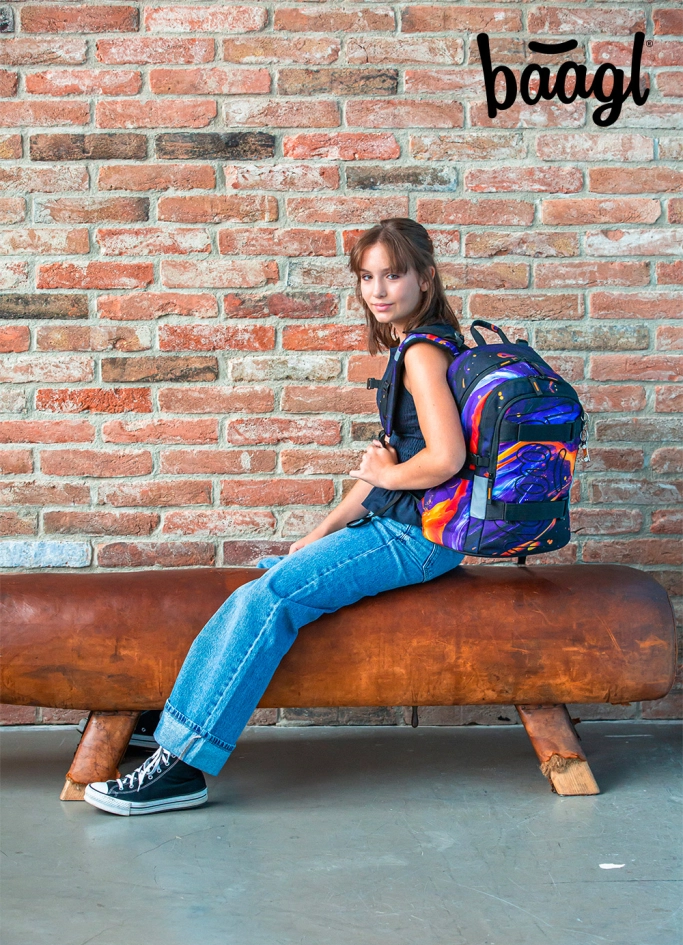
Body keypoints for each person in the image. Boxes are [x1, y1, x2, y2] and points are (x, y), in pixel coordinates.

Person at [83, 217, 467, 816]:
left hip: (419, 536)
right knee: (268, 574)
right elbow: (385, 475)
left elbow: (445, 459)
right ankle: (169, 718)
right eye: (367, 277)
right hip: (404, 525)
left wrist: (388, 474)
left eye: (394, 275)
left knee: (269, 599)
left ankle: (182, 765)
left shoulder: (421, 353)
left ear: (426, 277)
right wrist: (317, 533)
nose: (378, 290)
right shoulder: (419, 345)